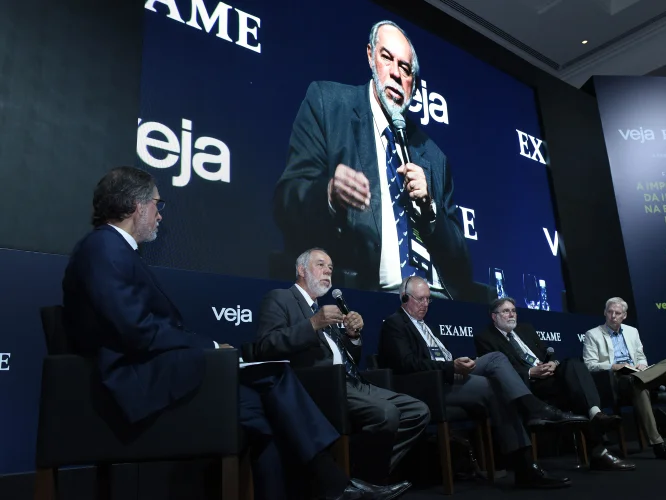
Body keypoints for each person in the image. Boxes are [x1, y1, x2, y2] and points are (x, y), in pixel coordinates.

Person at [62, 166, 408, 500]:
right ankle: (336, 485)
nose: (160, 214)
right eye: (157, 203)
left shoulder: (115, 251)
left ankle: (334, 485)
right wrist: (211, 348)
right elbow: (135, 330)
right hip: (136, 384)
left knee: (263, 411)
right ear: (136, 206)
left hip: (153, 371)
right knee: (272, 378)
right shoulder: (104, 248)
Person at [273, 20, 489, 302]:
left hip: (434, 301)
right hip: (367, 298)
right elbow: (286, 201)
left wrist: (430, 208)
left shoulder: (433, 155)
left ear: (414, 82)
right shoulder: (328, 104)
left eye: (405, 68)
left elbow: (461, 262)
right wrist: (327, 193)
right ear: (370, 57)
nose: (396, 74)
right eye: (386, 58)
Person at [377, 276, 590, 489]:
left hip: (449, 374)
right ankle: (528, 446)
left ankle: (529, 439)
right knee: (496, 387)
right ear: (404, 297)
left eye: (428, 299)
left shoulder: (425, 325)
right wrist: (451, 367)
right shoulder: (395, 324)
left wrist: (459, 364)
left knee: (495, 359)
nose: (425, 304)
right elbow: (406, 364)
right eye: (420, 299)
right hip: (428, 385)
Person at [255, 248, 430, 482]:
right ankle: (367, 481)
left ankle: (362, 476)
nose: (328, 270)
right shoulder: (282, 298)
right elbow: (266, 345)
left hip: (353, 383)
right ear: (300, 270)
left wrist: (352, 335)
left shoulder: (322, 310)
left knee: (418, 411)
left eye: (330, 267)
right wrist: (312, 324)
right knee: (386, 414)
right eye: (320, 265)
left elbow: (348, 358)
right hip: (322, 388)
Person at [475, 298, 635, 471]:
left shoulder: (526, 329)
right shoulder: (485, 338)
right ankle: (599, 451)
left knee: (573, 364)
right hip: (527, 386)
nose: (512, 314)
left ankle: (595, 415)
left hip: (549, 377)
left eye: (513, 310)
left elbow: (546, 354)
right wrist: (530, 373)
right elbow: (497, 371)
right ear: (494, 316)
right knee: (576, 393)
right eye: (506, 311)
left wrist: (553, 364)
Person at [583, 297, 666, 460]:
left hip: (637, 374)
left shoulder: (632, 331)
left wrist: (642, 366)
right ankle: (659, 446)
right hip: (617, 378)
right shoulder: (593, 334)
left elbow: (640, 356)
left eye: (617, 313)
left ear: (624, 315)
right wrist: (612, 366)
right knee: (638, 387)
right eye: (610, 312)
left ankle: (638, 379)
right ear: (604, 313)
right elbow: (589, 365)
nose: (613, 316)